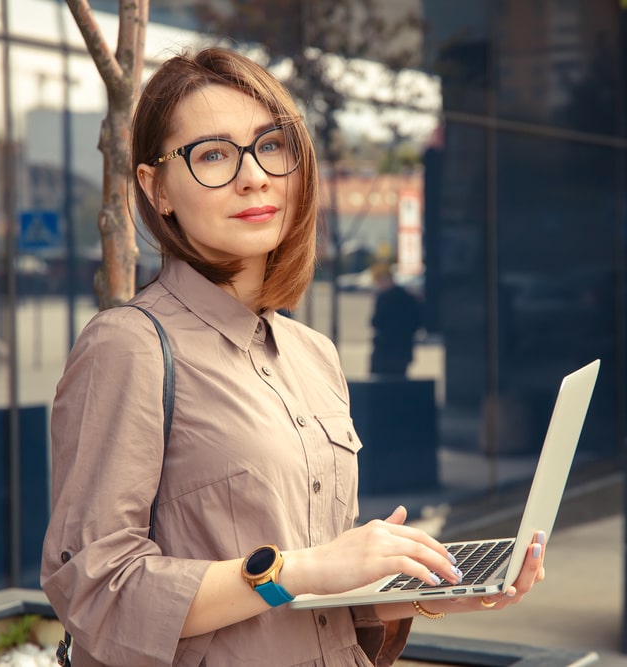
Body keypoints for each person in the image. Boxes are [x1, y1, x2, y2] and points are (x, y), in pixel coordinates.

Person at [40, 46, 547, 667]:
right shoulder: (129, 346)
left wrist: (429, 591)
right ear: (157, 187)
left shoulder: (314, 354)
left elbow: (313, 598)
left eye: (271, 145)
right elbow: (95, 591)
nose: (253, 175)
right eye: (213, 155)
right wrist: (301, 569)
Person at [368, 262, 422, 377]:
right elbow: (417, 322)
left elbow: (376, 322)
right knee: (398, 384)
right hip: (403, 350)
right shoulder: (408, 298)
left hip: (384, 350)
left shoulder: (383, 298)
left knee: (381, 386)